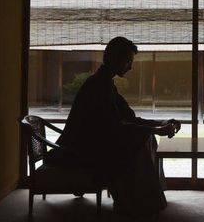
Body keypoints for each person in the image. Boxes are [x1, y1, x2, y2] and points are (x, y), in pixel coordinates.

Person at [51, 37, 181, 221]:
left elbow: (129, 119)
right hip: (81, 151)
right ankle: (136, 202)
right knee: (138, 141)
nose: (130, 66)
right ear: (111, 58)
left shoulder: (105, 83)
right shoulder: (97, 86)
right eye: (127, 61)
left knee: (143, 137)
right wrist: (155, 130)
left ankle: (140, 200)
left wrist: (161, 123)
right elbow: (113, 127)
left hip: (95, 143)